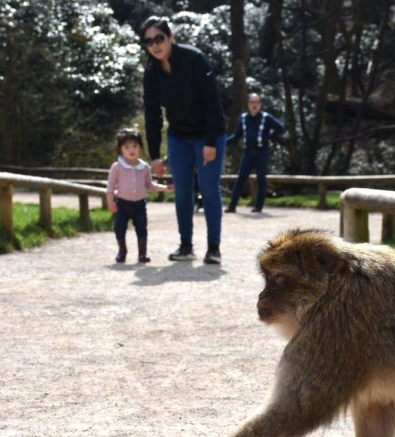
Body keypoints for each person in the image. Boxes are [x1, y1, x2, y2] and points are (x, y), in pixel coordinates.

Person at [140, 16, 227, 264]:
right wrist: (155, 155)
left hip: (209, 134)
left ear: (171, 37)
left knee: (209, 190)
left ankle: (213, 248)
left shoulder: (194, 60)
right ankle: (186, 245)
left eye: (159, 38)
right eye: (149, 41)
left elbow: (213, 103)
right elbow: (153, 116)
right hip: (179, 137)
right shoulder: (151, 74)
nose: (155, 45)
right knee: (182, 193)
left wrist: (210, 142)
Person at [106, 128, 173, 264]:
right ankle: (122, 251)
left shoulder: (144, 167)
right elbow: (110, 187)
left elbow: (149, 185)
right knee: (119, 228)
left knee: (142, 228)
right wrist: (111, 203)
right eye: (127, 147)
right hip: (123, 204)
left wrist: (166, 188)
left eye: (135, 146)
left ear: (141, 148)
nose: (132, 150)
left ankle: (142, 254)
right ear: (120, 149)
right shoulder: (117, 167)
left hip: (139, 205)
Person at [225, 93, 285, 214]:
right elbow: (236, 136)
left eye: (257, 102)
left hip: (262, 153)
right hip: (247, 153)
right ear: (248, 104)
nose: (254, 105)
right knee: (240, 179)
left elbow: (281, 128)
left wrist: (271, 138)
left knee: (261, 179)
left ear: (260, 104)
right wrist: (222, 143)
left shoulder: (266, 117)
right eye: (252, 102)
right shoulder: (243, 118)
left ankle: (258, 206)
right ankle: (232, 206)